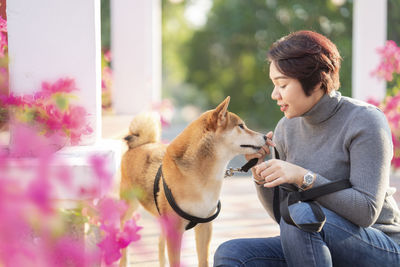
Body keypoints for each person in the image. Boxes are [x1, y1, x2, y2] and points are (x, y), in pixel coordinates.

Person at [213, 30, 400, 267]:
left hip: (379, 247)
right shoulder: (286, 129)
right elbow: (284, 219)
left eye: (282, 84)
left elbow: (366, 212)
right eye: (274, 85)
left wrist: (304, 177)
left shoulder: (365, 121)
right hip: (315, 246)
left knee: (302, 214)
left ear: (316, 81)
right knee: (231, 254)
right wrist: (259, 173)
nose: (274, 95)